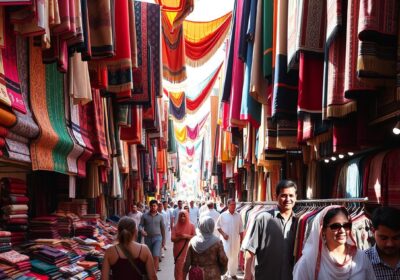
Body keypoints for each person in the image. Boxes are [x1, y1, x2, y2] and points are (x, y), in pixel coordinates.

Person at [293, 206, 376, 279]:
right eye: (335, 226)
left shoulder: (360, 257)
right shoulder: (308, 262)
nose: (342, 230)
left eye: (346, 225)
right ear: (323, 230)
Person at [243, 179, 298, 280]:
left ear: (296, 197)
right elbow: (250, 250)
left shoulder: (298, 222)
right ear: (276, 197)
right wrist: (247, 274)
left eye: (291, 195)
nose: (288, 199)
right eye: (283, 195)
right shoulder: (263, 218)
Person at [365, 206, 400, 279]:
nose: (390, 244)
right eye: (384, 238)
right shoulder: (362, 261)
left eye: (396, 238)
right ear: (373, 231)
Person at [216, 199, 244, 279]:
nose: (234, 206)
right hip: (226, 242)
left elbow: (241, 229)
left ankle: (233, 273)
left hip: (235, 241)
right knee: (225, 257)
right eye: (232, 204)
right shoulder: (223, 215)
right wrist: (223, 234)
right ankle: (224, 274)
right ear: (228, 205)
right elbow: (217, 226)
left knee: (234, 257)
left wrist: (241, 240)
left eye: (235, 204)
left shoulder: (238, 215)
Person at [139, 200, 165, 272]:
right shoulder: (144, 216)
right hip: (148, 238)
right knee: (149, 256)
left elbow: (163, 229)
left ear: (157, 207)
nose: (153, 207)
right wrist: (142, 231)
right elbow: (140, 225)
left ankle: (154, 274)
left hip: (158, 238)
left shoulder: (160, 216)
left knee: (156, 255)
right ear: (149, 206)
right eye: (152, 206)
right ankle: (150, 271)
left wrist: (164, 241)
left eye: (155, 206)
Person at [171, 210, 195, 280]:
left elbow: (195, 237)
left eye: (184, 216)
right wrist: (180, 237)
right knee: (178, 270)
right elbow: (172, 239)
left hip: (189, 251)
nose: (182, 218)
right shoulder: (175, 227)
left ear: (187, 216)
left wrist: (186, 236)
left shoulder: (192, 226)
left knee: (186, 270)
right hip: (178, 252)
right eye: (181, 216)